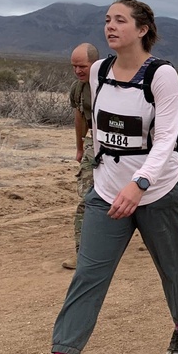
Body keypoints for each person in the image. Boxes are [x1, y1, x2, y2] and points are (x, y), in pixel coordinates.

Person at [3, 0, 178, 354]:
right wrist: (101, 174)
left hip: (157, 192)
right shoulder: (98, 70)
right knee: (88, 276)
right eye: (107, 20)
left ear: (143, 29)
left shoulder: (162, 76)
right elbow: (100, 129)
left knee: (173, 265)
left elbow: (165, 139)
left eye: (120, 20)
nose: (110, 26)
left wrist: (140, 184)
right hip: (107, 194)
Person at [63, 43, 99, 270]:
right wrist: (80, 147)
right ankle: (82, 253)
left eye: (82, 66)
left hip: (126, 148)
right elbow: (80, 117)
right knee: (88, 197)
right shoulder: (78, 89)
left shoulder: (116, 81)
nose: (78, 71)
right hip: (93, 144)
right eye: (74, 66)